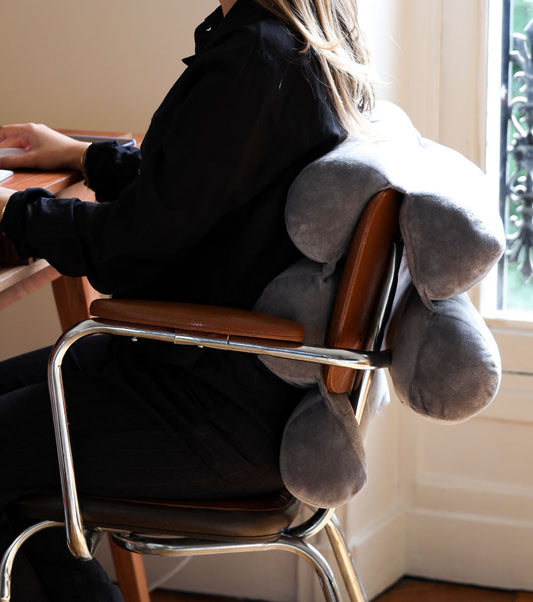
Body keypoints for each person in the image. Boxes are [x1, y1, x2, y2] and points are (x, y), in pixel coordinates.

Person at [0, 0, 374, 599]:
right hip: (217, 373)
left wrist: (14, 212)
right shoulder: (295, 45)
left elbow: (132, 246)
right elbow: (198, 188)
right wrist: (82, 156)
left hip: (209, 405)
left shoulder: (255, 56)